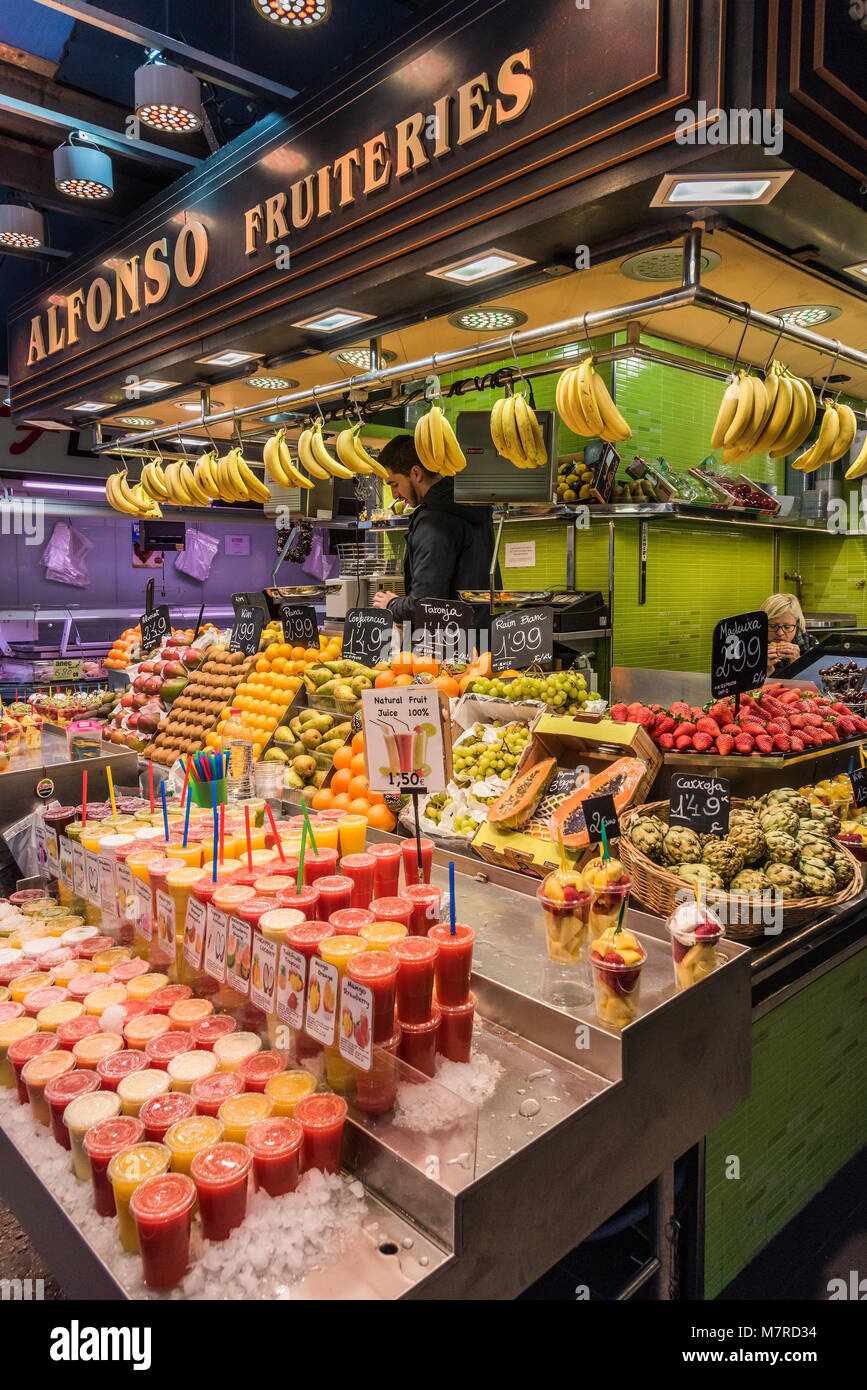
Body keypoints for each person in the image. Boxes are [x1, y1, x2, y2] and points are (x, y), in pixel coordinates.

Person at [372, 434, 500, 626]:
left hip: (452, 646)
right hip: (484, 639)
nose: (395, 495)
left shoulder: (433, 522)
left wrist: (392, 605)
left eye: (395, 484)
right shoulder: (469, 505)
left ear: (416, 473)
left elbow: (425, 603)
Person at [762, 593, 811, 676]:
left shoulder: (809, 646)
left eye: (787, 627)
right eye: (773, 626)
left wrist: (798, 666)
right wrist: (764, 674)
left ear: (797, 626)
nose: (780, 633)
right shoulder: (749, 649)